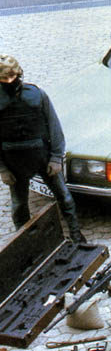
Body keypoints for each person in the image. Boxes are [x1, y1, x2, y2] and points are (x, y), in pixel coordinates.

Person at [0, 54, 85, 241]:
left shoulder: (37, 95)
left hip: (43, 157)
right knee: (19, 206)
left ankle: (76, 234)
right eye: (4, 78)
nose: (9, 81)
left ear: (19, 74)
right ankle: (26, 242)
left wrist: (56, 158)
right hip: (14, 163)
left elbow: (54, 128)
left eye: (12, 77)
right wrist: (3, 170)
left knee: (64, 197)